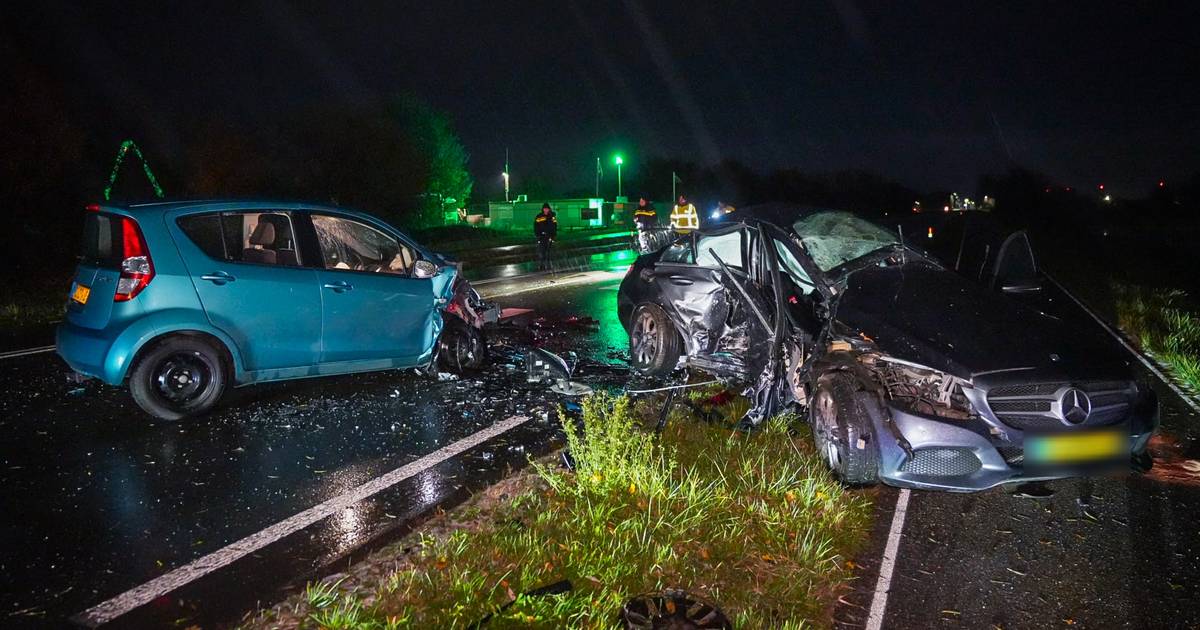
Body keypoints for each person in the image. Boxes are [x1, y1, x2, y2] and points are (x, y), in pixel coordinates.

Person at [533, 202, 557, 270]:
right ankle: (542, 265)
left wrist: (553, 235)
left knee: (549, 251)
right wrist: (538, 235)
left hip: (550, 236)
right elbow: (536, 226)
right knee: (542, 251)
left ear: (549, 209)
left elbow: (555, 226)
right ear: (543, 209)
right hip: (542, 236)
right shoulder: (539, 216)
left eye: (547, 209)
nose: (546, 210)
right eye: (545, 209)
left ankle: (548, 265)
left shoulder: (552, 217)